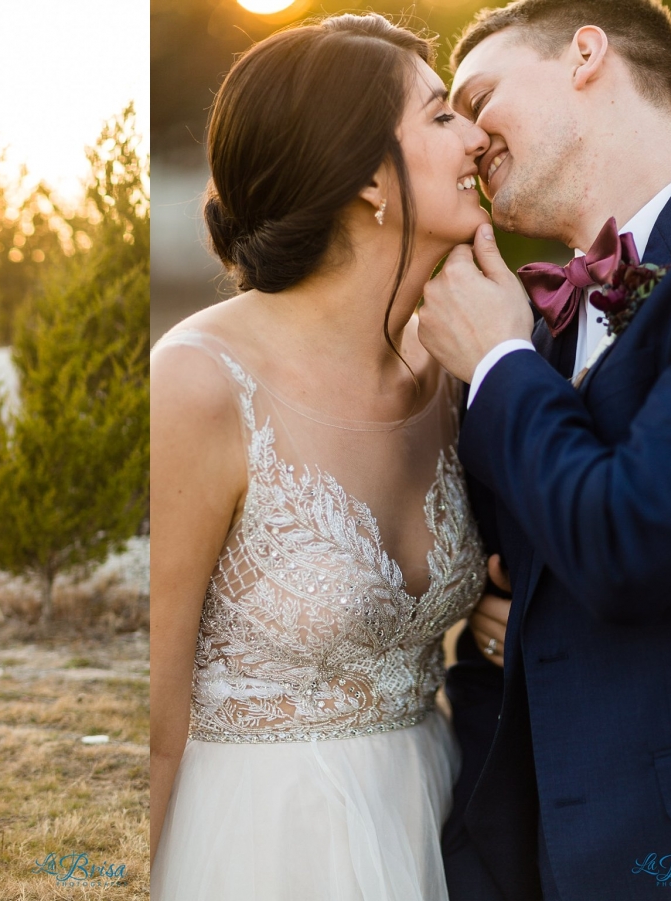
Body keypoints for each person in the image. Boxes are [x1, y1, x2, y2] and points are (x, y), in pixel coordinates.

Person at [150, 14, 497, 899]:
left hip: (435, 814)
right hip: (266, 844)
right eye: (442, 117)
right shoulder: (198, 384)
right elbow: (153, 712)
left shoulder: (460, 364)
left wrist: (509, 604)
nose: (479, 135)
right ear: (371, 179)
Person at [417, 1, 671, 898]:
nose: (468, 139)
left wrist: (494, 358)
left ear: (586, 54)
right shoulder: (545, 334)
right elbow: (508, 587)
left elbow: (636, 537)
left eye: (478, 97)